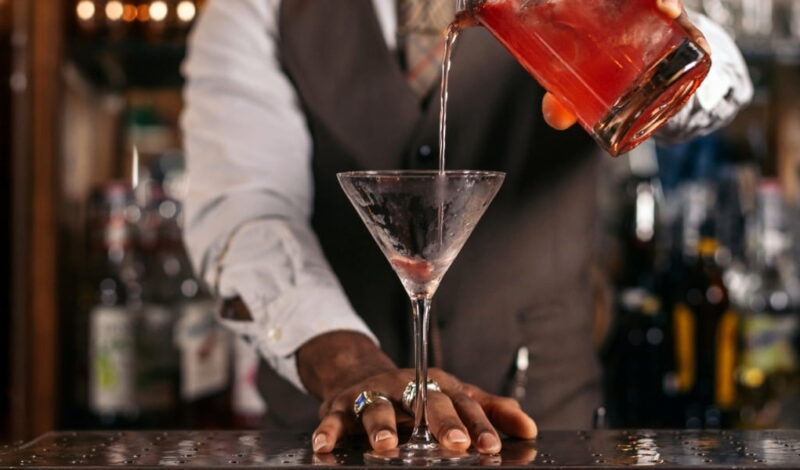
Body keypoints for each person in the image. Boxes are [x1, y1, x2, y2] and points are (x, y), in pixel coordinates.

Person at [181, 0, 752, 455]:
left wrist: (642, 41)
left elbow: (727, 77)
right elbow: (247, 210)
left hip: (545, 435)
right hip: (339, 442)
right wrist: (349, 364)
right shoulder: (255, 8)